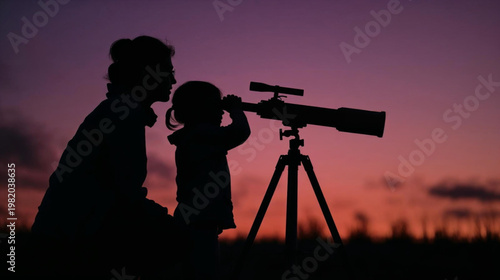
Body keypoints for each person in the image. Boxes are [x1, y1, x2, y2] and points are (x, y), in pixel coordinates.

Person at [31, 36, 181, 279]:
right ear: (148, 73)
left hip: (63, 234)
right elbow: (125, 194)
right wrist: (170, 222)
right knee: (176, 239)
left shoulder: (121, 109)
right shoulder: (124, 114)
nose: (173, 80)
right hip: (69, 242)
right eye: (168, 71)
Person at [166, 81, 251, 280]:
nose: (221, 111)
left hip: (197, 218)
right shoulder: (201, 134)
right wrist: (236, 111)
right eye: (216, 105)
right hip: (200, 220)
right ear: (201, 109)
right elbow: (239, 132)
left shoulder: (195, 135)